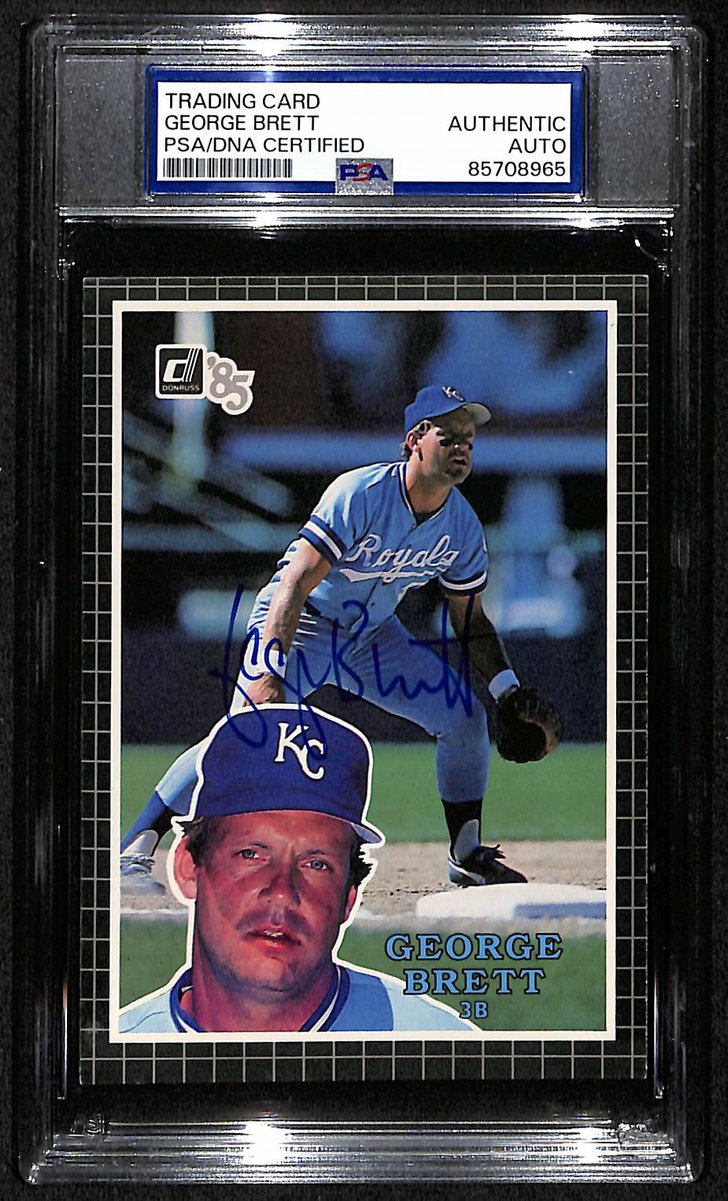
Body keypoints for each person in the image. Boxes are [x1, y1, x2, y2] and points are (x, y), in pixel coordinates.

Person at [121, 384, 560, 894]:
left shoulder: (461, 526)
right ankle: (135, 849)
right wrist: (269, 667)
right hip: (304, 623)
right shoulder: (361, 493)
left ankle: (467, 856)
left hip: (373, 638)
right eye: (448, 435)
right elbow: (295, 582)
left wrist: (506, 690)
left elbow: (471, 619)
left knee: (464, 718)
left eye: (468, 438)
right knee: (245, 733)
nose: (461, 446)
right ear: (415, 439)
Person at [119, 705, 473, 1034]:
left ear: (350, 896)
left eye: (316, 864)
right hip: (291, 656)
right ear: (187, 867)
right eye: (250, 854)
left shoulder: (438, 1040)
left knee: (462, 718)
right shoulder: (116, 1047)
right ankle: (138, 842)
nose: (282, 893)